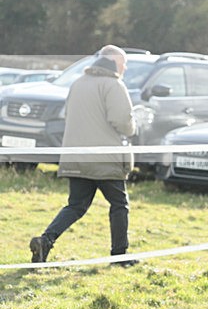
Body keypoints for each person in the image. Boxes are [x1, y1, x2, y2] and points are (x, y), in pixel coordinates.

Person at [29, 45, 137, 265]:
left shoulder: (77, 83)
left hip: (76, 157)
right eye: (122, 62)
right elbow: (124, 123)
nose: (125, 67)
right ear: (113, 62)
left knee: (76, 205)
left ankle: (46, 241)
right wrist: (133, 127)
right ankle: (120, 256)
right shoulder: (114, 85)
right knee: (119, 205)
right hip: (104, 159)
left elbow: (69, 115)